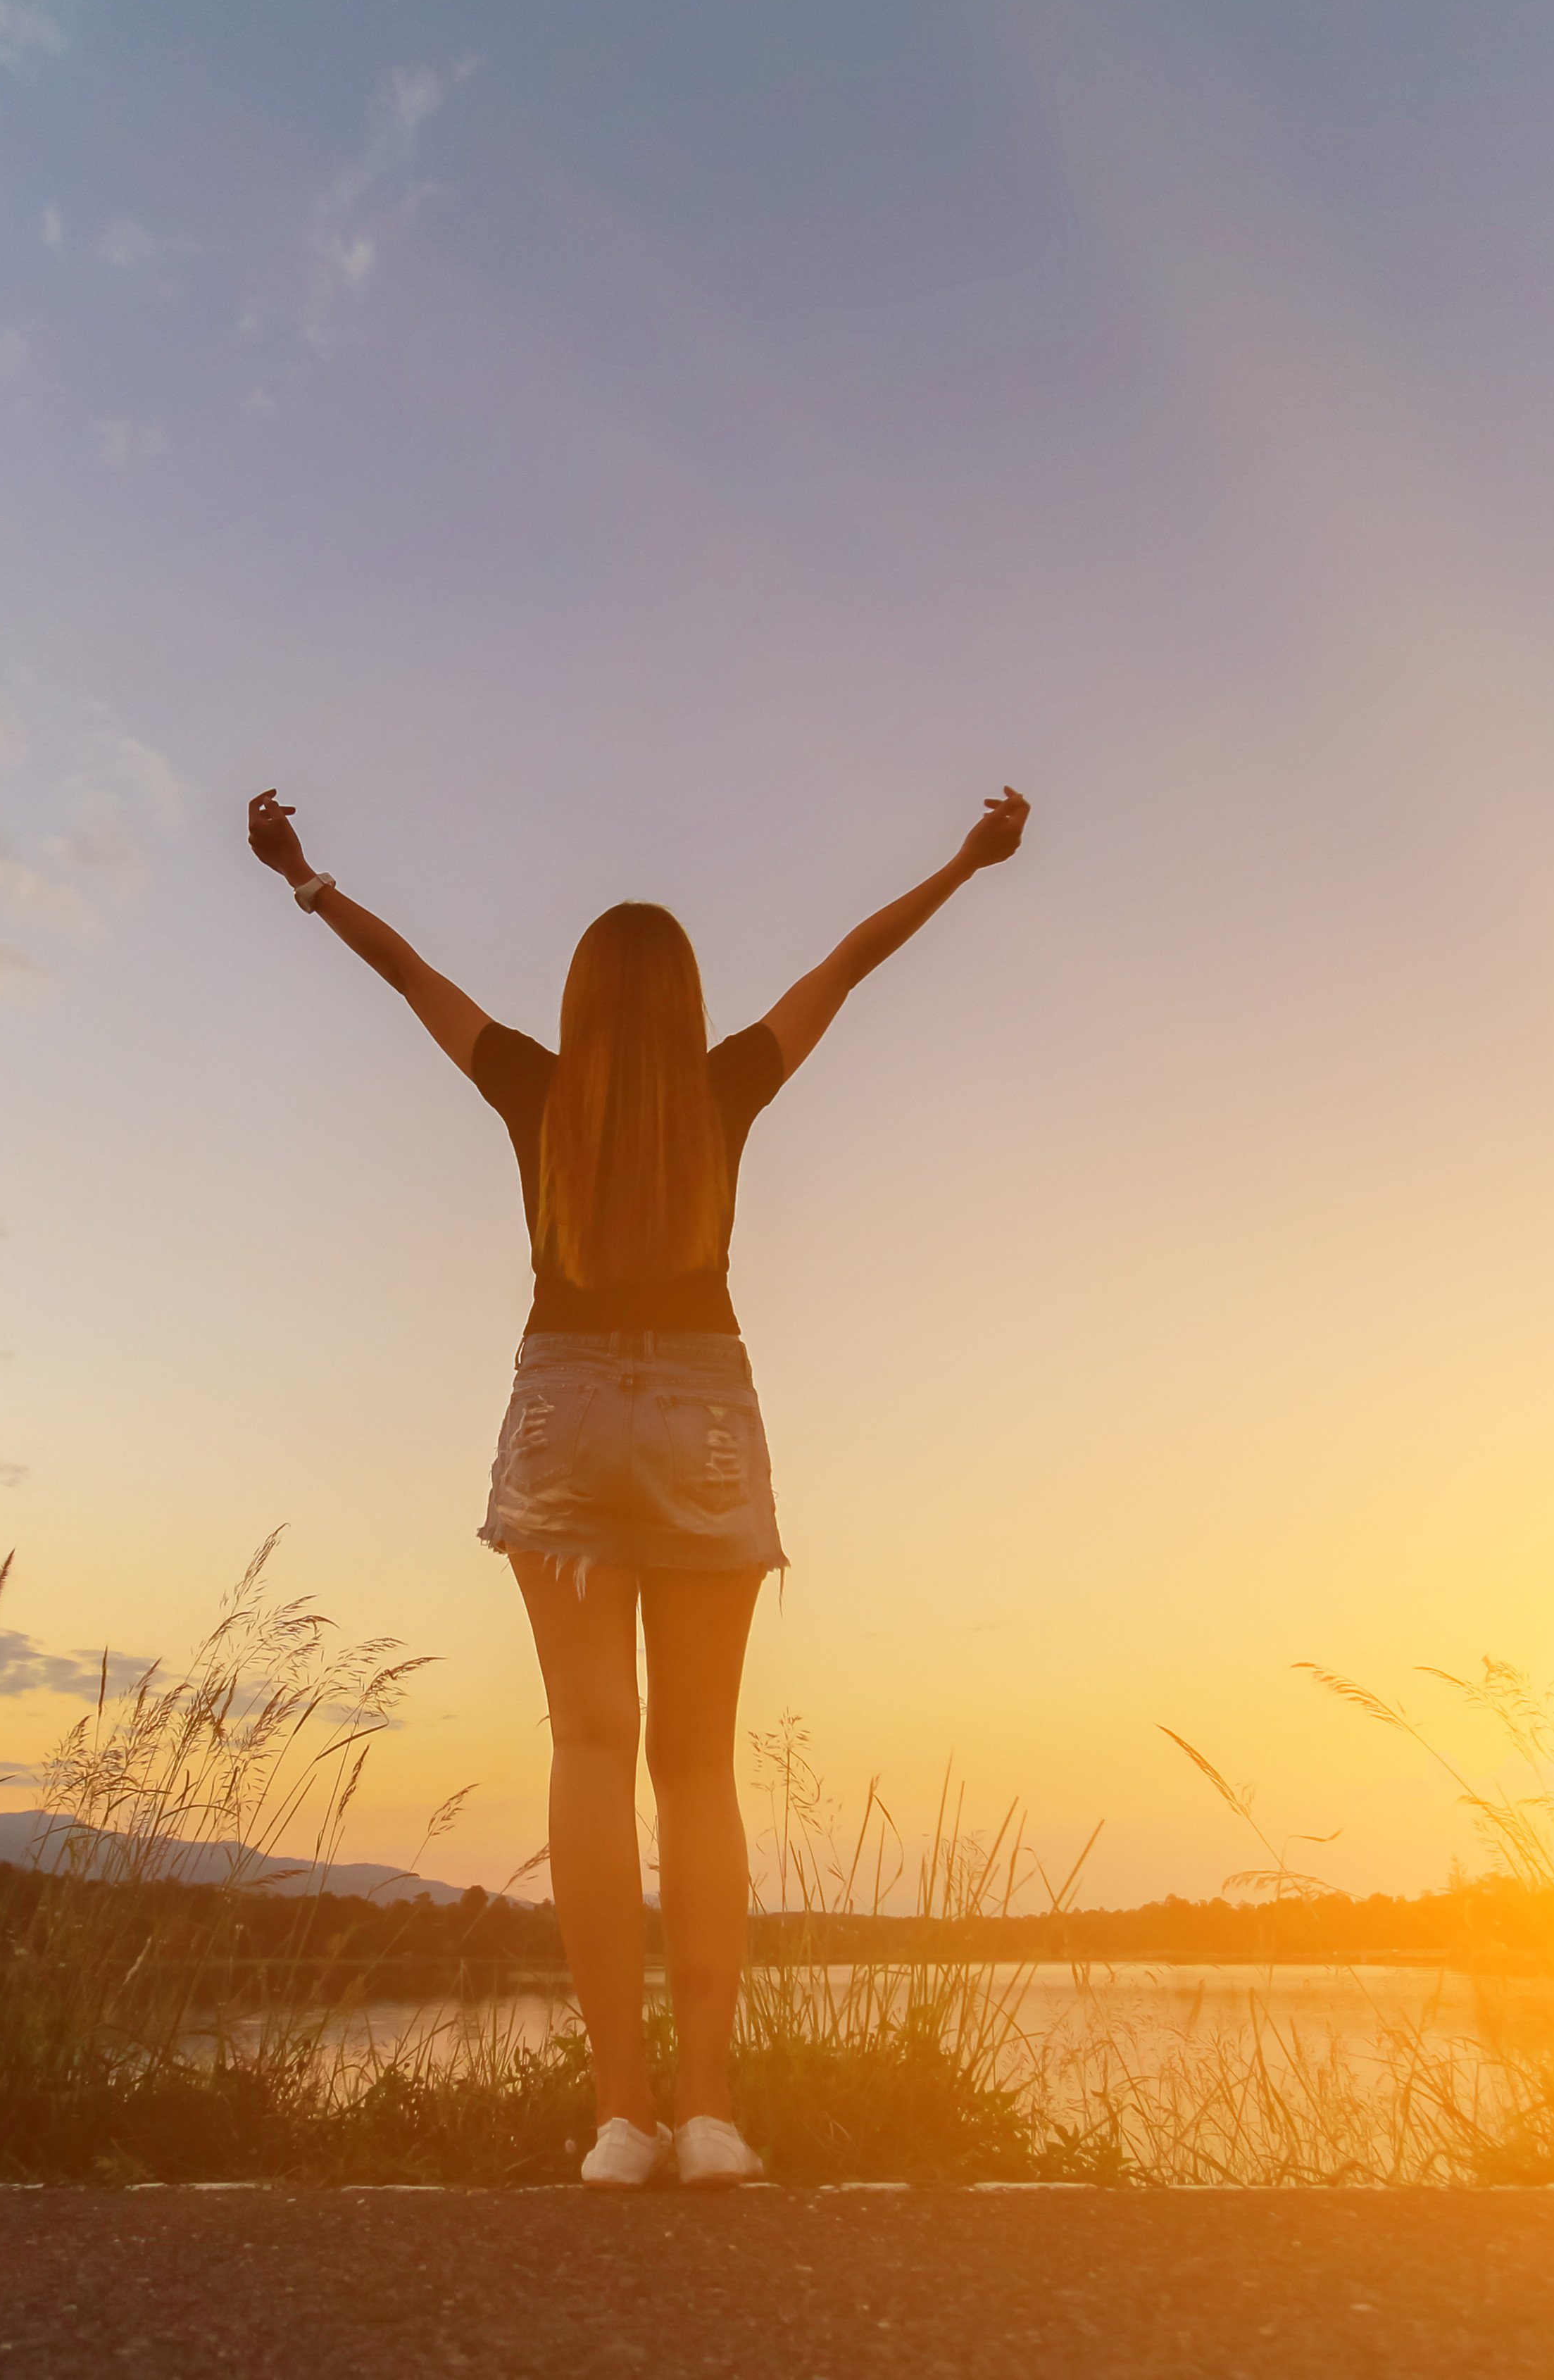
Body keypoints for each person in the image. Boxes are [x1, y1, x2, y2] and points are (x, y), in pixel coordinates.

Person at [243, 783, 1032, 2187]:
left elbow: (407, 973)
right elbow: (848, 961)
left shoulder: (530, 1088)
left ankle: (620, 2120)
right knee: (696, 1765)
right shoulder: (727, 1084)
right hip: (699, 1408)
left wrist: (305, 880)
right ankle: (713, 2116)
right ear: (683, 1005)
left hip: (560, 1399)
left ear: (581, 1007)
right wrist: (964, 863)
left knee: (590, 1753)